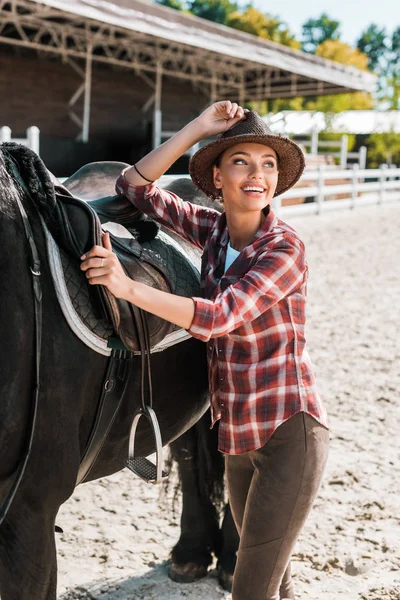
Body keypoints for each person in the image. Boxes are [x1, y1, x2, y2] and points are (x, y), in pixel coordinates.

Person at [80, 101, 329, 600]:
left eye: (268, 164)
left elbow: (218, 318)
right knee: (275, 580)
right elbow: (133, 187)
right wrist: (197, 129)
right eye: (241, 161)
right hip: (237, 438)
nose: (257, 174)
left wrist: (126, 287)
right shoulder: (213, 232)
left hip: (287, 435)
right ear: (216, 177)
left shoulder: (283, 248)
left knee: (250, 589)